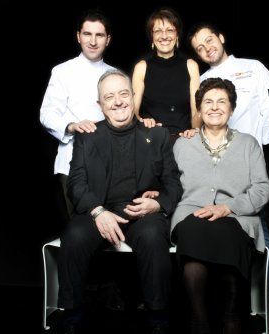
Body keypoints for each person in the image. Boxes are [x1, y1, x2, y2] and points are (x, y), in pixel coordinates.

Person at [58, 69, 183, 334]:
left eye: (123, 94)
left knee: (153, 236)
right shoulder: (87, 135)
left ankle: (157, 317)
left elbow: (173, 182)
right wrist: (98, 211)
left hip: (142, 212)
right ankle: (71, 315)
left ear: (134, 96)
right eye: (109, 97)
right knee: (75, 235)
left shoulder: (157, 135)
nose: (118, 102)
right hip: (101, 211)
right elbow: (76, 183)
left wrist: (159, 204)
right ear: (100, 104)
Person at [188, 23, 269, 319]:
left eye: (210, 40)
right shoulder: (202, 79)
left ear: (222, 37)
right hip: (215, 163)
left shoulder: (253, 68)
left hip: (250, 158)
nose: (207, 48)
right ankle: (225, 301)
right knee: (222, 227)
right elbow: (198, 124)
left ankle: (265, 300)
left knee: (256, 226)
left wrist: (259, 149)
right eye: (199, 48)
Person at [171, 78, 269, 334]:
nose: (214, 107)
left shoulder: (249, 144)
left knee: (229, 236)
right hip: (191, 215)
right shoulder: (182, 144)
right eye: (208, 102)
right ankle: (199, 322)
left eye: (221, 101)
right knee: (193, 240)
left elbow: (262, 189)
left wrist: (228, 208)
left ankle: (231, 318)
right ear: (199, 108)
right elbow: (169, 185)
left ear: (232, 108)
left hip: (237, 218)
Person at [40, 10, 114, 220]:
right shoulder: (62, 71)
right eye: (87, 34)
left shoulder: (117, 75)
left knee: (112, 232)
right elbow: (47, 113)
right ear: (78, 36)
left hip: (112, 166)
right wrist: (71, 125)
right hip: (72, 162)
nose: (92, 41)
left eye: (99, 35)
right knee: (79, 231)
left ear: (108, 40)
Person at [132, 7, 201, 140]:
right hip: (150, 138)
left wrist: (194, 130)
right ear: (152, 37)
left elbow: (195, 112)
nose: (164, 36)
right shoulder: (141, 67)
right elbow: (133, 113)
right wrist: (142, 121)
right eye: (158, 31)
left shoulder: (191, 65)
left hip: (184, 139)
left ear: (177, 35)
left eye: (170, 30)